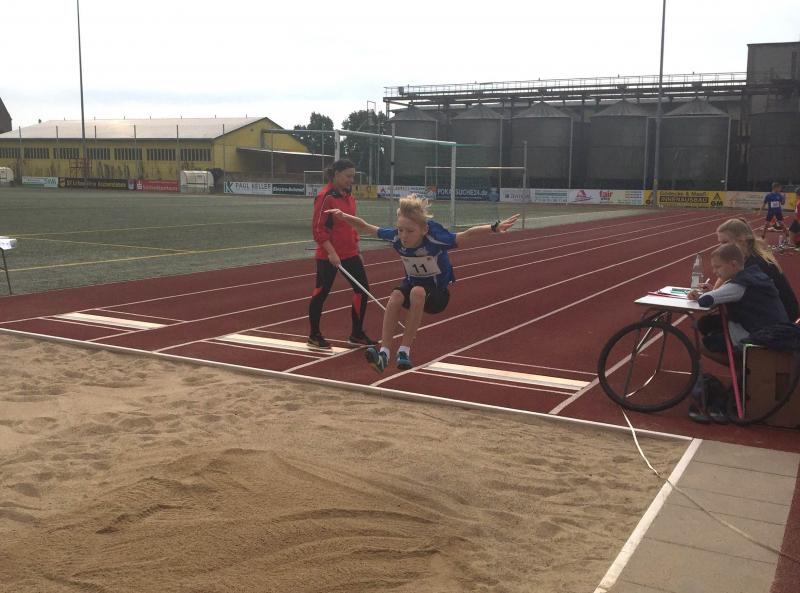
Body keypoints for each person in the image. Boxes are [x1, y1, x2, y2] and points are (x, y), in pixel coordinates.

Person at [326, 195, 519, 372]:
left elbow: (467, 234)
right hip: (413, 285)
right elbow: (367, 227)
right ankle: (384, 354)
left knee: (417, 292)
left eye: (410, 231)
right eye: (400, 230)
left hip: (438, 295)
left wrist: (493, 228)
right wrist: (344, 216)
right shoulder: (397, 237)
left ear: (424, 230)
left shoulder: (435, 238)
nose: (403, 236)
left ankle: (404, 351)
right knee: (395, 296)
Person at [686, 243, 789, 423]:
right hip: (775, 331)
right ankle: (744, 369)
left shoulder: (739, 285)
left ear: (733, 264)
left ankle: (743, 367)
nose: (715, 272)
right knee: (707, 325)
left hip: (760, 338)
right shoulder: (753, 275)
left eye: (718, 267)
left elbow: (706, 301)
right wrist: (717, 291)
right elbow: (725, 294)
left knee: (699, 344)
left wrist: (697, 295)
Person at [308, 159, 376, 350]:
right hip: (328, 256)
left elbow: (351, 225)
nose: (351, 180)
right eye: (348, 176)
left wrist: (357, 249)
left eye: (353, 176)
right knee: (321, 293)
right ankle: (314, 335)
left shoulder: (349, 196)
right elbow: (318, 229)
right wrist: (331, 253)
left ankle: (356, 334)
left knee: (362, 290)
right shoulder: (325, 197)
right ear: (336, 174)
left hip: (350, 253)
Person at [715, 217, 798, 321]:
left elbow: (727, 292)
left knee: (709, 323)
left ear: (741, 241)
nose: (721, 248)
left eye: (725, 243)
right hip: (782, 312)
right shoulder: (753, 256)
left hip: (779, 319)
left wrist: (712, 294)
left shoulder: (753, 265)